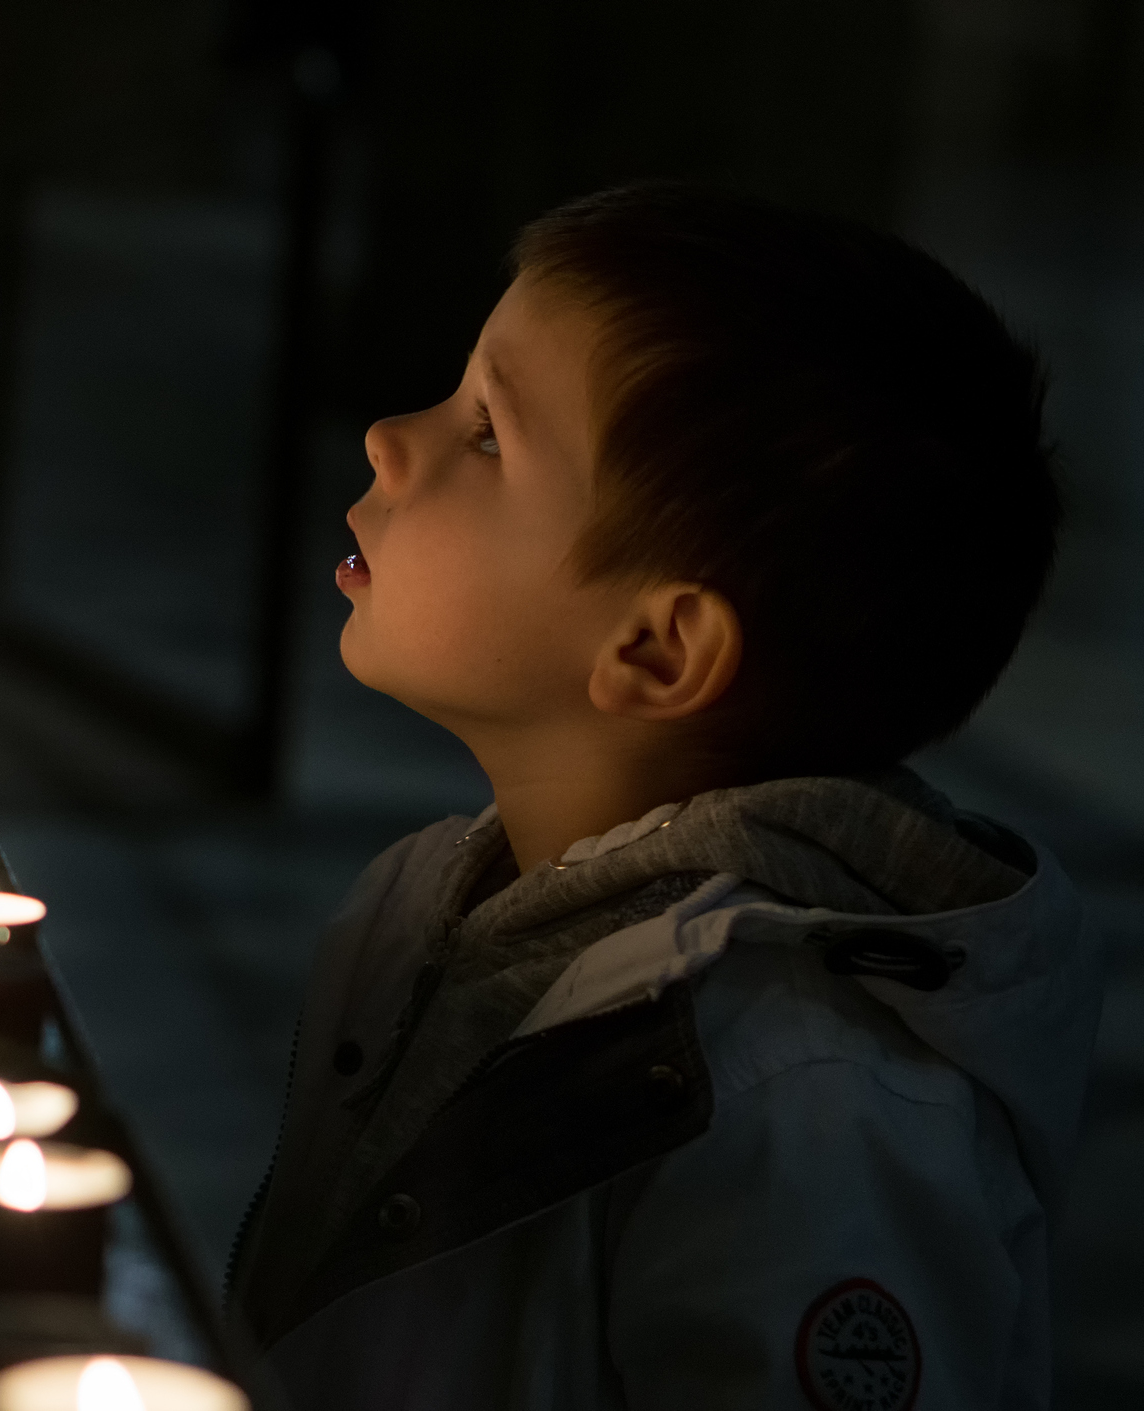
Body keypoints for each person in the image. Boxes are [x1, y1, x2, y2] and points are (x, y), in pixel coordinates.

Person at [225, 183, 1101, 1410]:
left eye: (487, 432)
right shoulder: (425, 905)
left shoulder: (804, 1107)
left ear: (656, 651)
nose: (387, 434)